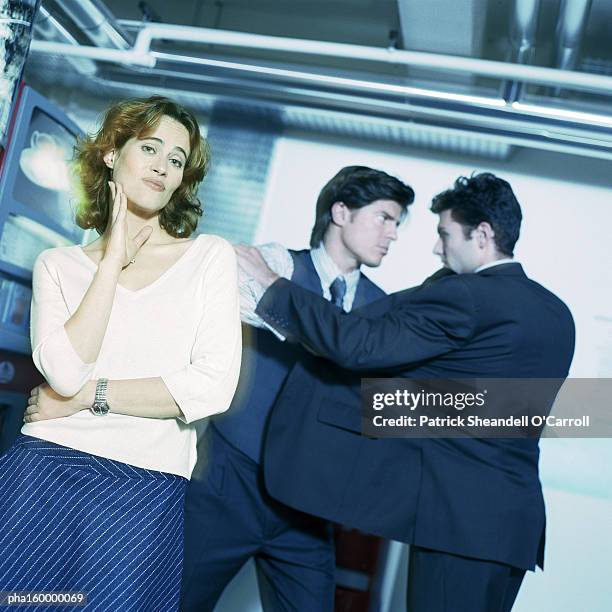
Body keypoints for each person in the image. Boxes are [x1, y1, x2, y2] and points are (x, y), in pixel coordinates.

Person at [237, 172, 575, 612]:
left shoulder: (468, 297)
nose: (438, 248)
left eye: (445, 234)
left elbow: (358, 346)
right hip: (514, 527)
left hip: (457, 524)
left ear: (483, 235)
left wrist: (271, 284)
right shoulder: (556, 314)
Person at [0, 96, 241, 610]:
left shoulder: (208, 258)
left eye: (176, 159)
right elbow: (63, 370)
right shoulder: (58, 264)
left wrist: (89, 397)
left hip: (143, 486)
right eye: (149, 148)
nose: (161, 165)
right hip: (43, 472)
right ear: (112, 153)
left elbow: (212, 387)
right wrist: (111, 261)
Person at [180, 166, 415, 611]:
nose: (393, 233)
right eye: (385, 217)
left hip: (308, 506)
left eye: (397, 223)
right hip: (231, 481)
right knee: (174, 602)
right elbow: (228, 295)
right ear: (340, 212)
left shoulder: (382, 309)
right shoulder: (274, 264)